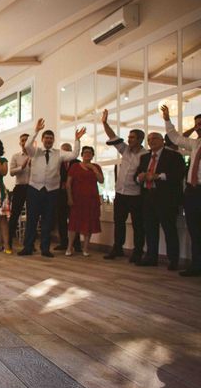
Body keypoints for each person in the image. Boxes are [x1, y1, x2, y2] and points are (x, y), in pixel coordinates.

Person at [18, 119, 85, 258]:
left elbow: (74, 155)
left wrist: (77, 140)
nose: (48, 140)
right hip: (34, 189)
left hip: (52, 190)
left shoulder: (59, 153)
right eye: (46, 138)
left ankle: (45, 248)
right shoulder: (34, 151)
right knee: (32, 219)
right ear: (42, 139)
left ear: (53, 140)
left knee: (48, 220)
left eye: (51, 138)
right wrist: (36, 131)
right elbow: (28, 144)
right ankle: (28, 247)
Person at [134, 129, 186, 270]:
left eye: (155, 139)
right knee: (150, 228)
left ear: (162, 140)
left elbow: (179, 174)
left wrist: (158, 176)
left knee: (169, 229)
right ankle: (151, 257)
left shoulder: (173, 156)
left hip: (166, 198)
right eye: (149, 140)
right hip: (148, 196)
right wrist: (139, 177)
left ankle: (173, 260)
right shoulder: (145, 158)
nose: (151, 142)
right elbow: (136, 175)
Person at [100, 109, 147, 262]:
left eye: (132, 137)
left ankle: (137, 251)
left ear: (140, 139)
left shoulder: (145, 155)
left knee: (138, 225)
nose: (129, 139)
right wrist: (105, 123)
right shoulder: (125, 150)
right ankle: (117, 248)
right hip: (120, 193)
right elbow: (112, 136)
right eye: (129, 137)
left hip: (136, 195)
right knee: (119, 223)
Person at [162, 105, 200, 276]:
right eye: (197, 124)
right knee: (194, 230)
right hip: (192, 191)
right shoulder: (195, 144)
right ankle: (197, 266)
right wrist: (167, 119)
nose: (199, 126)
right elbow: (175, 138)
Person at [66, 146, 103, 256]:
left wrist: (94, 169)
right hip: (77, 199)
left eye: (90, 153)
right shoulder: (75, 166)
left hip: (92, 200)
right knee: (73, 223)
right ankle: (69, 247)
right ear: (82, 154)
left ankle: (86, 248)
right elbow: (68, 183)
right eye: (85, 152)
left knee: (89, 224)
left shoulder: (96, 166)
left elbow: (101, 181)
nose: (87, 154)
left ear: (93, 155)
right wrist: (69, 197)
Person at [55, 143, 82, 253]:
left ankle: (77, 244)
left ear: (71, 151)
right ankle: (63, 243)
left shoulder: (77, 163)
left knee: (74, 219)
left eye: (68, 151)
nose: (65, 153)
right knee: (61, 219)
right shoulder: (57, 162)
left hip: (74, 195)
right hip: (60, 195)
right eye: (63, 151)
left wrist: (69, 184)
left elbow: (80, 178)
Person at [8, 134, 30, 251]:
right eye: (22, 140)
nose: (25, 142)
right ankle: (8, 243)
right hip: (20, 187)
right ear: (20, 143)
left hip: (33, 188)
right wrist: (22, 167)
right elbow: (11, 172)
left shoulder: (36, 156)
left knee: (32, 216)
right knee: (14, 215)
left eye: (27, 140)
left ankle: (29, 244)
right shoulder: (16, 156)